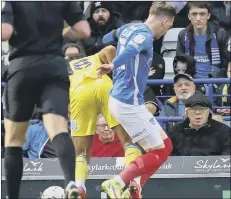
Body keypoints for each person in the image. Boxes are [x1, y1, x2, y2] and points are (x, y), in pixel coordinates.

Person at [1, 2, 91, 199]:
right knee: (58, 129)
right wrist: (61, 34)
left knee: (14, 140)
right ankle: (71, 183)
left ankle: (12, 196)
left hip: (22, 68)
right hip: (54, 67)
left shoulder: (15, 3)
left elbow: (5, 33)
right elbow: (84, 30)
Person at [97, 2, 176, 198]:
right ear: (165, 21)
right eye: (169, 27)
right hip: (128, 102)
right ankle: (118, 182)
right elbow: (132, 49)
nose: (167, 31)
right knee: (160, 152)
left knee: (165, 147)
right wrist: (114, 65)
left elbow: (107, 38)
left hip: (122, 99)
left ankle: (135, 187)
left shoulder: (128, 27)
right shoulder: (146, 35)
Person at [69, 46, 134, 199]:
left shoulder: (65, 67)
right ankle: (130, 182)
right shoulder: (93, 57)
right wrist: (115, 69)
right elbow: (111, 48)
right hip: (103, 84)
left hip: (79, 93)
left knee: (81, 152)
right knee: (128, 141)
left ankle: (79, 186)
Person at [176, 2, 229, 78]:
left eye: (202, 14)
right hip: (191, 83)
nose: (198, 18)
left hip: (216, 82)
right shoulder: (183, 35)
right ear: (189, 16)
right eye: (194, 14)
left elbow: (226, 64)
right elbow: (179, 64)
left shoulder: (220, 34)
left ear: (208, 15)